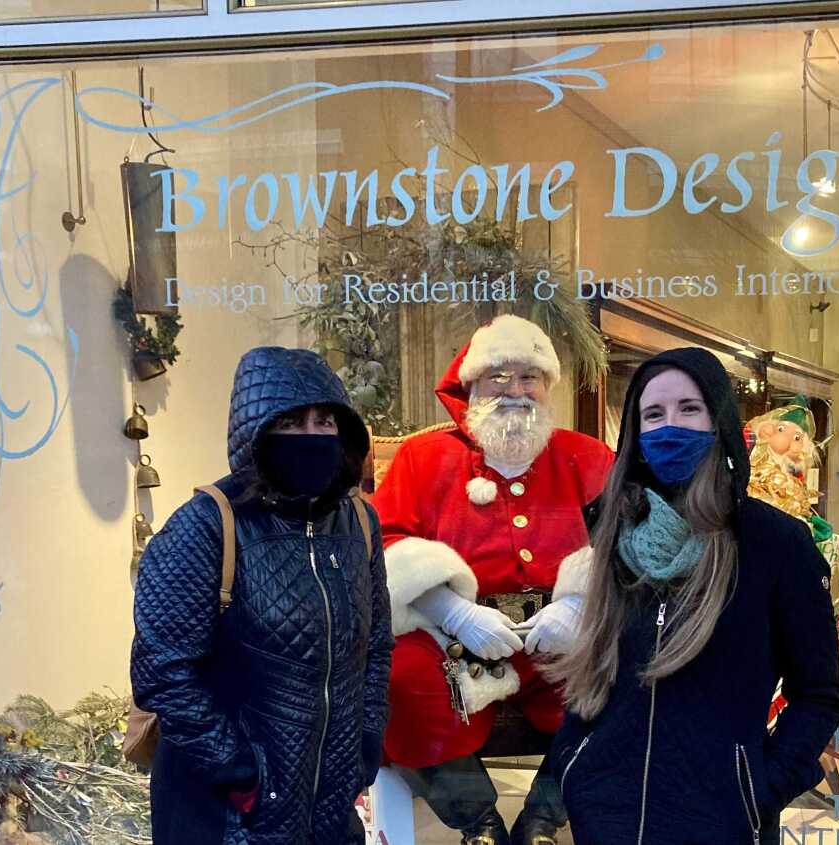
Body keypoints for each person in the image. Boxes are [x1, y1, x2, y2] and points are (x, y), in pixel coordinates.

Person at [548, 348, 839, 845]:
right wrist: (573, 767)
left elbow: (819, 695)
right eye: (653, 414)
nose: (670, 426)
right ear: (635, 436)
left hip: (721, 825)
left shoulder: (775, 544)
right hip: (606, 819)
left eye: (689, 409)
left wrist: (760, 790)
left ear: (719, 421)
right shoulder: (613, 537)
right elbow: (594, 674)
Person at [131, 346, 393, 845]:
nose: (312, 437)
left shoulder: (358, 522)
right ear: (256, 429)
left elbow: (376, 645)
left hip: (329, 812)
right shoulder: (207, 526)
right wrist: (238, 774)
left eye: (325, 422)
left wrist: (366, 739)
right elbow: (164, 673)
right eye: (292, 423)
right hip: (227, 817)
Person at [373, 315, 614, 845]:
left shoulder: (586, 455)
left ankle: (545, 817)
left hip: (563, 633)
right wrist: (454, 613)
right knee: (397, 676)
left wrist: (578, 606)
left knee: (625, 674)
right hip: (452, 637)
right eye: (498, 378)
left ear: (547, 386)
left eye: (529, 377)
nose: (515, 391)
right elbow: (385, 546)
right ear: (471, 387)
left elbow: (624, 544)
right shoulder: (423, 457)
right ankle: (479, 821)